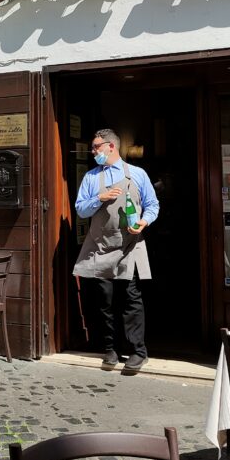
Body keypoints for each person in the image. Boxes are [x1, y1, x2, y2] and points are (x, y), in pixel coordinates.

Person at [73, 128, 159, 374]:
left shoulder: (138, 174)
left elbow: (152, 205)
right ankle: (110, 349)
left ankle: (138, 351)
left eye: (96, 147)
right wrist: (99, 198)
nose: (93, 151)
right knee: (106, 301)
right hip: (101, 247)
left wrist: (143, 222)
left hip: (130, 245)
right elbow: (81, 210)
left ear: (111, 146)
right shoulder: (91, 178)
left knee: (131, 299)